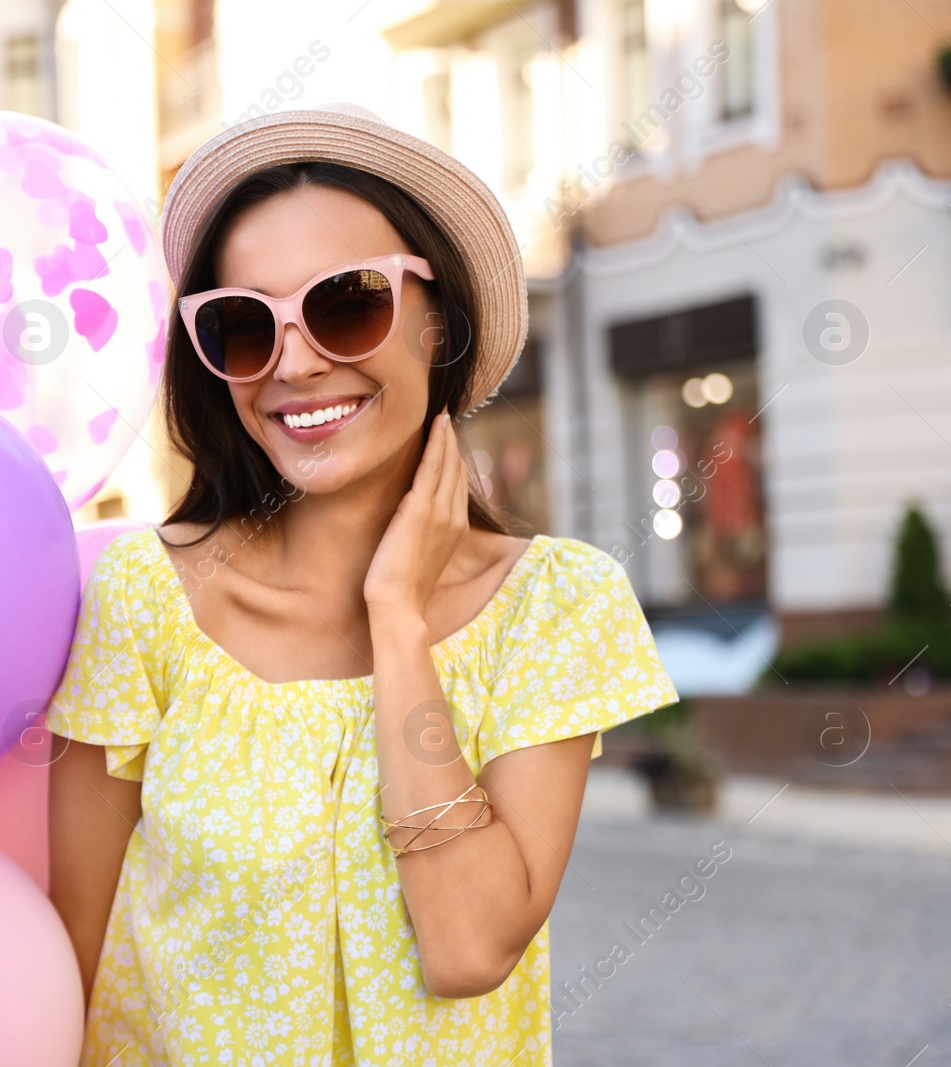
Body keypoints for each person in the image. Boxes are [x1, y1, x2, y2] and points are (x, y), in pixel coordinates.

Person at [46, 103, 679, 1066]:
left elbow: (469, 947)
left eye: (346, 303)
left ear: (439, 324)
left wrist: (397, 620)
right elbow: (73, 955)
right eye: (242, 327)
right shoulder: (148, 595)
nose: (295, 363)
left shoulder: (555, 607)